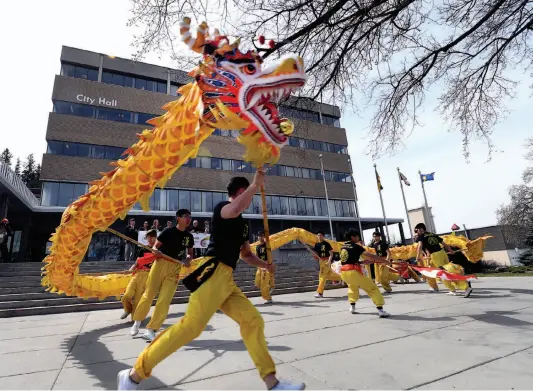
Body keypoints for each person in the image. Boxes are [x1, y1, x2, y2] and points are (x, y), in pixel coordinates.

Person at [117, 170, 304, 390]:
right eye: (249, 193)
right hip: (213, 272)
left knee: (253, 321)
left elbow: (245, 254)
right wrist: (256, 185)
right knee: (191, 328)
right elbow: (234, 209)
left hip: (227, 280)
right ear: (242, 191)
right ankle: (133, 375)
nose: (251, 199)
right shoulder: (222, 208)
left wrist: (266, 265)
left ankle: (272, 383)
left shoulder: (242, 224)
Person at [130, 210, 194, 341]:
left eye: (190, 217)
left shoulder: (189, 236)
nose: (189, 219)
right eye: (186, 216)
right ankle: (137, 321)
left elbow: (190, 253)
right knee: (149, 294)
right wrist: (156, 251)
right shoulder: (168, 232)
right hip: (160, 264)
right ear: (178, 218)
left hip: (175, 268)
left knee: (165, 299)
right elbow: (155, 247)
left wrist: (188, 260)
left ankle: (151, 329)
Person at [339, 229, 391, 317]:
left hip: (344, 273)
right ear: (353, 237)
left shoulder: (343, 247)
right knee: (372, 288)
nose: (358, 238)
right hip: (353, 272)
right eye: (357, 236)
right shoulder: (356, 246)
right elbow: (371, 255)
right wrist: (385, 261)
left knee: (352, 288)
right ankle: (381, 310)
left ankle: (352, 307)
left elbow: (347, 261)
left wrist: (362, 262)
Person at [120, 229, 158, 319]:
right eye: (148, 237)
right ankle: (128, 309)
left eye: (151, 237)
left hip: (148, 277)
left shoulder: (158, 251)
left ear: (156, 238)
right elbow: (137, 263)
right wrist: (129, 270)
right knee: (126, 296)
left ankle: (135, 318)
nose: (149, 239)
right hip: (137, 274)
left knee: (137, 301)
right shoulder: (143, 249)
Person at [414, 223, 456, 294]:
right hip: (442, 253)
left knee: (442, 272)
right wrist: (451, 250)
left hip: (435, 255)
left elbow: (420, 246)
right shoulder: (432, 234)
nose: (417, 232)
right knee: (431, 270)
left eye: (417, 230)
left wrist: (417, 256)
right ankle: (434, 287)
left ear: (420, 230)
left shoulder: (421, 236)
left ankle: (452, 289)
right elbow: (444, 243)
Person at [311, 231, 341, 298]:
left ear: (323, 236)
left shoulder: (326, 244)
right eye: (318, 235)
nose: (319, 236)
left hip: (326, 261)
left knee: (322, 277)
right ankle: (342, 278)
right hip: (321, 261)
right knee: (329, 275)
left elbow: (331, 254)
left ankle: (320, 293)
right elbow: (315, 253)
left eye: (320, 235)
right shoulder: (316, 244)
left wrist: (329, 261)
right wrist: (315, 256)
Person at [254, 231, 274, 304]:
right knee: (257, 283)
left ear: (264, 237)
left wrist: (268, 264)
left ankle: (268, 298)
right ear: (257, 237)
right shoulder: (257, 247)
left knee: (263, 285)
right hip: (260, 266)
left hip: (266, 267)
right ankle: (269, 288)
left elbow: (270, 255)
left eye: (262, 235)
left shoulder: (267, 245)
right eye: (259, 236)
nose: (260, 237)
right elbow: (256, 256)